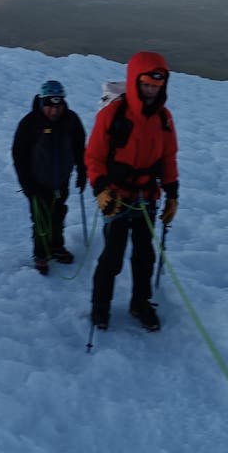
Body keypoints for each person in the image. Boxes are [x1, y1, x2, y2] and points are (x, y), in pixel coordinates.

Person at [85, 52, 179, 331]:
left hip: (146, 197)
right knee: (112, 257)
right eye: (147, 85)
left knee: (144, 256)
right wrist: (101, 189)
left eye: (156, 86)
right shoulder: (112, 115)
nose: (151, 91)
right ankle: (100, 308)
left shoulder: (164, 119)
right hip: (115, 197)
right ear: (135, 82)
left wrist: (172, 193)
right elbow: (94, 156)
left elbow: (168, 158)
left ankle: (140, 303)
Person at [11, 80, 87, 275]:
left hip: (61, 179)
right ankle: (41, 254)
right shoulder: (30, 123)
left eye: (58, 106)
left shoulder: (71, 121)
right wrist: (27, 183)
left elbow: (80, 148)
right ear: (42, 103)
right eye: (50, 107)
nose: (54, 111)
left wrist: (82, 171)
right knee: (41, 219)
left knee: (58, 214)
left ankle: (56, 247)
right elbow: (19, 155)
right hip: (36, 182)